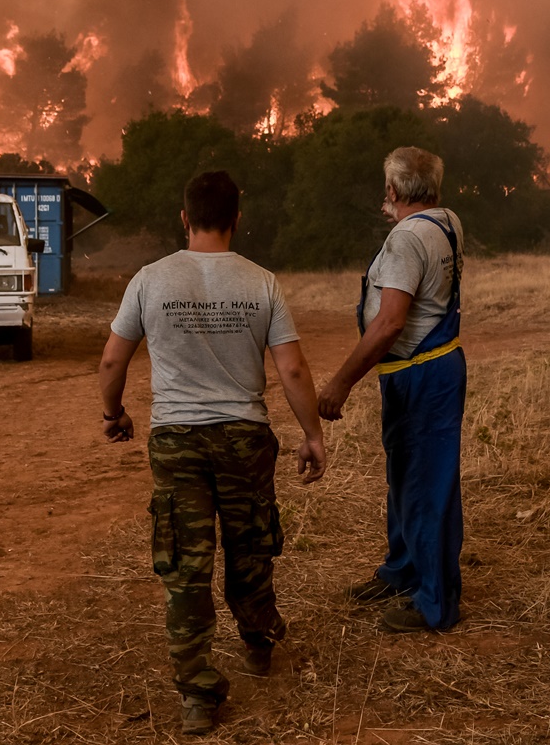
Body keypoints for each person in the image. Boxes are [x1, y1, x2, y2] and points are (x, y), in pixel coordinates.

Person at [98, 170, 327, 736]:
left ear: (185, 217)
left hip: (176, 441)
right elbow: (292, 367)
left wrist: (114, 414)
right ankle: (256, 645)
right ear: (236, 219)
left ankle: (198, 694)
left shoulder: (151, 280)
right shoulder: (261, 282)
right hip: (244, 436)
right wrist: (312, 434)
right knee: (249, 546)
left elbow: (111, 361)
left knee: (186, 567)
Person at [317, 146, 466, 634]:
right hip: (432, 367)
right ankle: (402, 570)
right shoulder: (446, 221)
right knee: (408, 477)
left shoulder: (406, 239)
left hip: (420, 372)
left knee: (426, 485)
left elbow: (388, 325)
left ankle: (434, 603)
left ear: (394, 191)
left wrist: (339, 384)